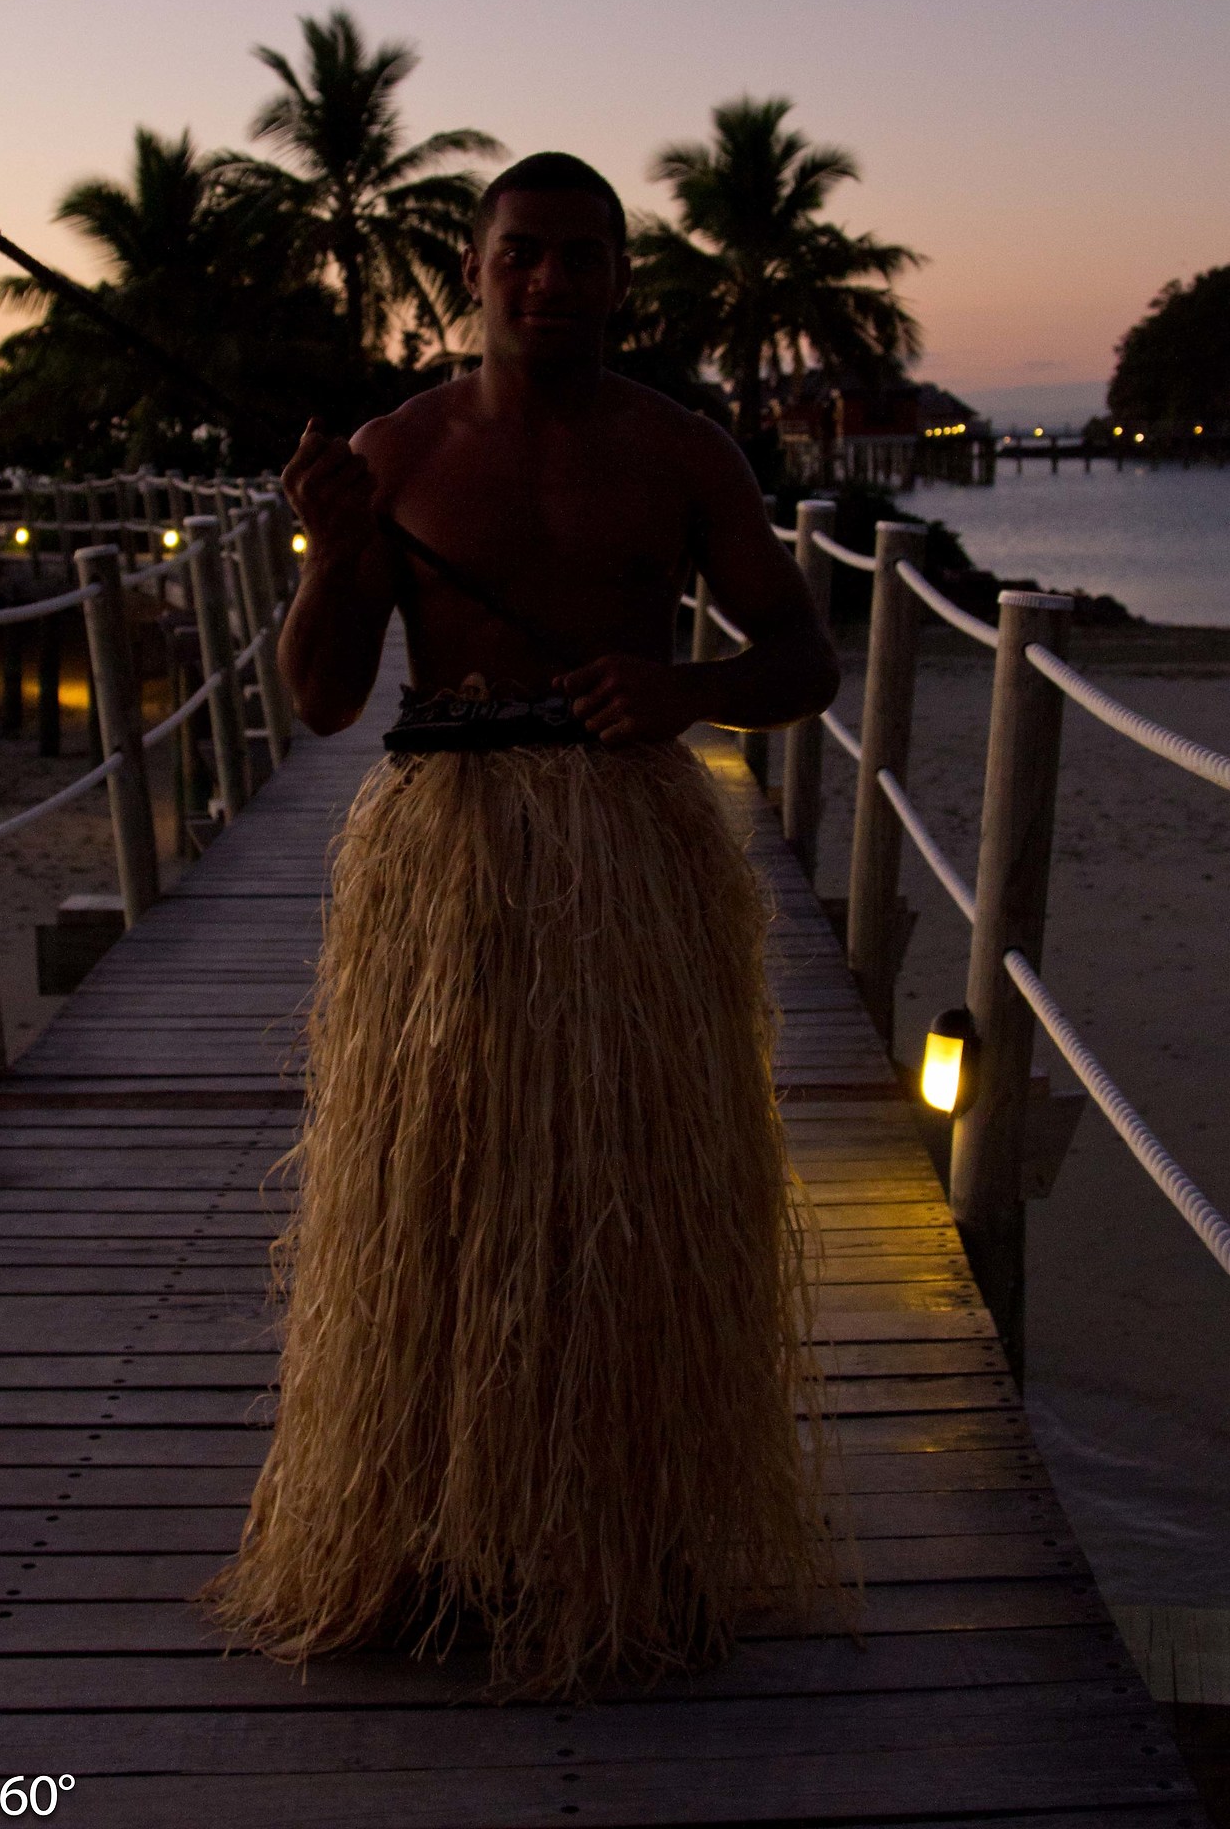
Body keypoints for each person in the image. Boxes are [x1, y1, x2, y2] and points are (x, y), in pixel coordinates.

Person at [204, 150, 847, 1697]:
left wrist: (684, 688)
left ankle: (624, 1534)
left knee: (626, 1184)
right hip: (447, 862)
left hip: (627, 854)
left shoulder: (683, 454)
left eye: (582, 257)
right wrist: (336, 548)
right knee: (442, 1187)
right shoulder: (397, 446)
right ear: (474, 271)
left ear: (625, 280)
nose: (550, 281)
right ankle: (420, 1532)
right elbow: (323, 692)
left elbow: (805, 658)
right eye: (521, 254)